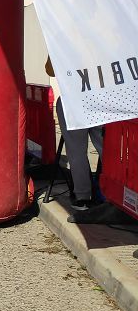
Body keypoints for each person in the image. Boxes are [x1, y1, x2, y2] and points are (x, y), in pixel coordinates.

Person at [46, 56, 104, 210]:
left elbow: (50, 70)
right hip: (100, 98)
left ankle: (82, 197)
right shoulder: (100, 36)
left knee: (76, 151)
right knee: (107, 149)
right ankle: (113, 193)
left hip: (72, 101)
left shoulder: (61, 36)